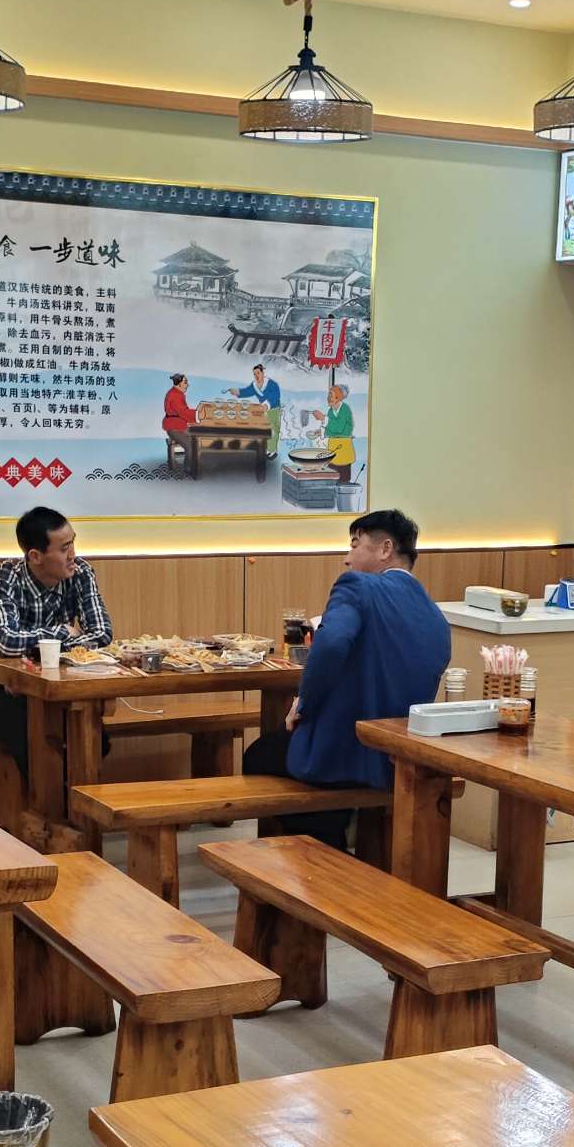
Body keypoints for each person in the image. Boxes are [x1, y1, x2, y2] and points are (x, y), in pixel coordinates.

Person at [242, 508, 448, 853]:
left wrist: (303, 703)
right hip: (397, 759)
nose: (346, 558)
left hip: (342, 751)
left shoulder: (358, 586)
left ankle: (323, 856)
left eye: (354, 545)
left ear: (385, 549)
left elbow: (332, 643)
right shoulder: (434, 614)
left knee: (258, 754)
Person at [0, 506, 115, 780]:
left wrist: (44, 647)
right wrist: (64, 632)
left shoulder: (81, 572)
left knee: (97, 741)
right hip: (1, 686)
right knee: (34, 745)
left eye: (73, 543)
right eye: (64, 548)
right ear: (35, 556)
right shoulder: (6, 576)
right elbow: (6, 642)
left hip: (57, 684)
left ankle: (73, 803)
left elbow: (102, 634)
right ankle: (49, 806)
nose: (73, 555)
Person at [229, 361, 282, 458]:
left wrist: (267, 405)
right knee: (265, 427)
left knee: (274, 429)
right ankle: (266, 448)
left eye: (258, 373)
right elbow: (247, 391)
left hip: (273, 408)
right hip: (263, 410)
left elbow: (275, 396)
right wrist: (237, 392)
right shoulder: (254, 385)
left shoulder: (272, 384)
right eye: (254, 374)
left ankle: (272, 450)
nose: (256, 375)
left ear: (262, 373)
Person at [323, 382, 355, 474]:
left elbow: (339, 428)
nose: (328, 398)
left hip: (343, 448)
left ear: (338, 397)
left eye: (331, 395)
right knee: (331, 475)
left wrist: (324, 419)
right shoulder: (330, 411)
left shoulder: (344, 409)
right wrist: (322, 431)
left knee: (343, 477)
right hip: (332, 449)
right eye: (328, 395)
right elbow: (328, 431)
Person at [162, 372, 195, 438]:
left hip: (176, 425)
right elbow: (183, 412)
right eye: (185, 382)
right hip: (176, 426)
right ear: (179, 384)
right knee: (195, 441)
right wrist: (198, 415)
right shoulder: (175, 395)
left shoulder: (175, 393)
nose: (187, 385)